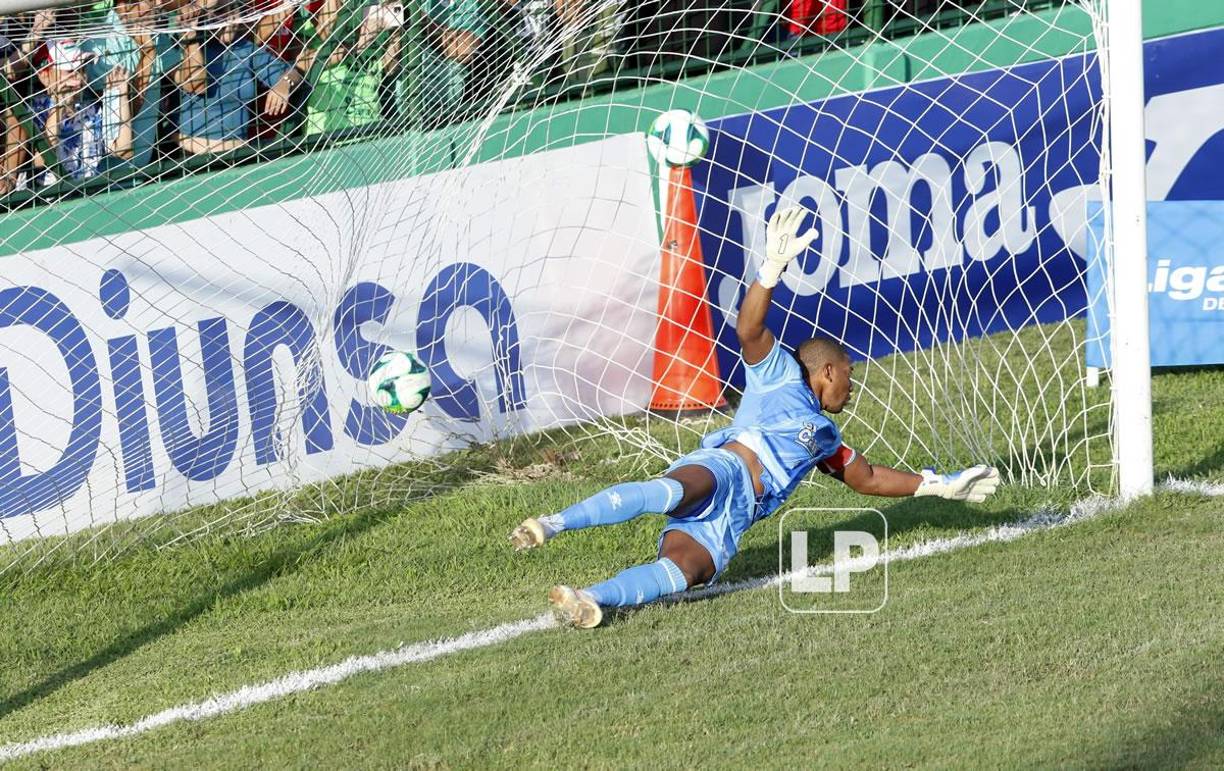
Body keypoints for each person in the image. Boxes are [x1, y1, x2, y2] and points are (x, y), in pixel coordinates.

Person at [510, 206, 1001, 628]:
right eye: (849, 376)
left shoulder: (827, 436)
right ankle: (552, 523)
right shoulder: (779, 372)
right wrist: (771, 268)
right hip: (724, 470)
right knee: (676, 489)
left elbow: (868, 479)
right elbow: (749, 327)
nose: (852, 388)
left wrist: (936, 485)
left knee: (687, 572)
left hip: (734, 517)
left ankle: (591, 598)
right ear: (827, 370)